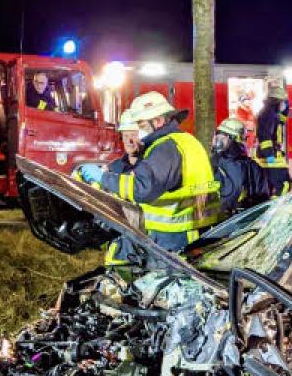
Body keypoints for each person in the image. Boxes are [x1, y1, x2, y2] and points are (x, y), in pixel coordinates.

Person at [76, 91, 221, 259]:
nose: (138, 131)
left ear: (158, 121)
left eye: (142, 126)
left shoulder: (165, 148)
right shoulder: (186, 141)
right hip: (197, 230)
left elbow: (142, 188)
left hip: (174, 235)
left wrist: (103, 178)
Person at [103, 109, 143, 265]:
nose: (129, 140)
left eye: (133, 135)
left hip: (143, 237)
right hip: (119, 235)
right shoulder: (115, 166)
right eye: (125, 136)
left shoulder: (151, 166)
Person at [211, 117, 268, 215]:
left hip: (230, 222)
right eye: (217, 137)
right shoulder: (214, 163)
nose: (218, 142)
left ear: (233, 139)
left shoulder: (253, 167)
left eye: (223, 137)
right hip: (236, 222)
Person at [255, 77, 291, 196]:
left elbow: (282, 120)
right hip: (271, 157)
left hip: (270, 155)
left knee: (273, 186)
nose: (285, 104)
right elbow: (265, 136)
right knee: (283, 184)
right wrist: (270, 155)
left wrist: (286, 109)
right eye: (284, 102)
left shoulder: (272, 113)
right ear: (277, 101)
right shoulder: (269, 115)